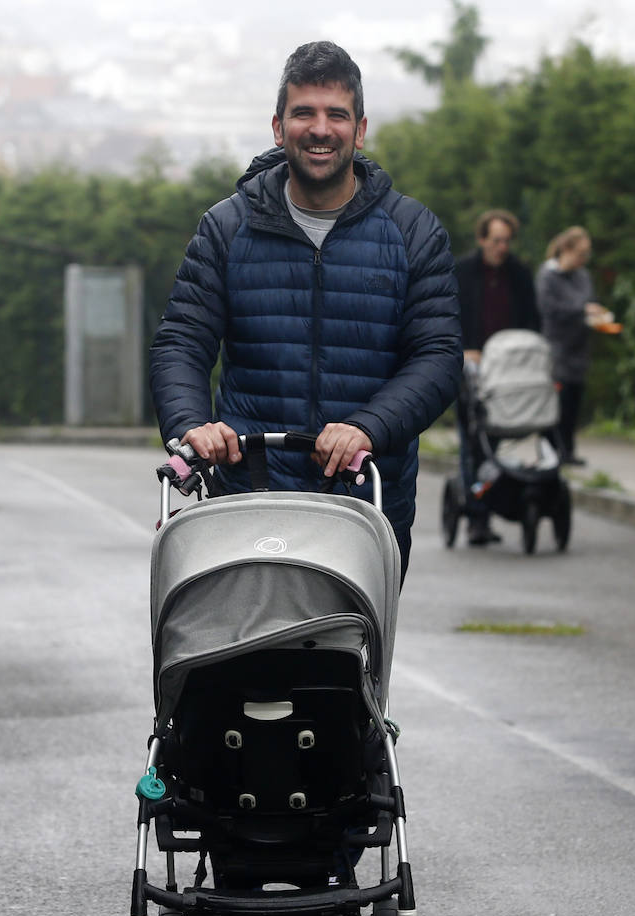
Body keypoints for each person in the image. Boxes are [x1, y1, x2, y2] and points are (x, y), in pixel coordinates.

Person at [148, 40, 462, 578]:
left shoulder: (412, 231)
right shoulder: (226, 228)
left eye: (337, 114)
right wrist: (192, 425)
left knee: (344, 658)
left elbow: (437, 357)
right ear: (278, 127)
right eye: (304, 113)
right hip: (247, 496)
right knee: (238, 655)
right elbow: (180, 342)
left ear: (360, 131)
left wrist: (368, 427)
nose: (321, 129)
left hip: (363, 503)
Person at [453, 208, 541, 545]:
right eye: (496, 240)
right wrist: (465, 348)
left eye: (507, 241)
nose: (502, 247)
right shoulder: (462, 272)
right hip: (473, 367)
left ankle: (518, 501)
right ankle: (477, 516)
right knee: (473, 442)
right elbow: (448, 316)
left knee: (514, 437)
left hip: (512, 372)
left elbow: (533, 321)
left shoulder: (519, 274)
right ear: (482, 239)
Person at [535, 226, 607, 466]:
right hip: (556, 350)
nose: (584, 259)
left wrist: (596, 316)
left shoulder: (583, 276)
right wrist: (582, 310)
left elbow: (589, 302)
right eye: (580, 253)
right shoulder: (547, 275)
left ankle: (568, 451)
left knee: (573, 404)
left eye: (587, 254)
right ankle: (550, 452)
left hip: (579, 349)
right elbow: (548, 309)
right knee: (556, 404)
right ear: (566, 249)